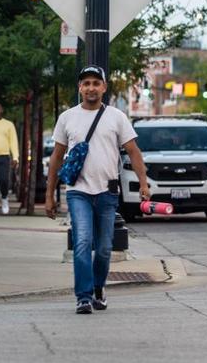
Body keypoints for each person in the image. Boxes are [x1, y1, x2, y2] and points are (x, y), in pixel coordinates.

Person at [45, 65, 150, 315]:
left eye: (95, 83)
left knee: (103, 248)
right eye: (86, 83)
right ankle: (83, 297)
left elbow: (133, 152)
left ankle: (99, 288)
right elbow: (57, 157)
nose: (91, 87)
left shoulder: (116, 117)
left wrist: (144, 183)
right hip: (77, 191)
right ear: (80, 88)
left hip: (107, 192)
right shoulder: (67, 117)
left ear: (104, 87)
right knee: (82, 242)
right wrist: (50, 195)